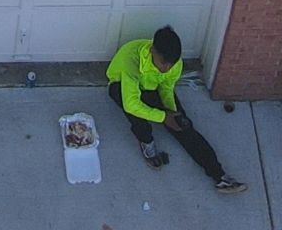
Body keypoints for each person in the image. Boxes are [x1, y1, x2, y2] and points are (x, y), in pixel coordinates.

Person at [106, 28, 247, 194]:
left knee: (184, 126)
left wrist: (173, 113)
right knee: (138, 117)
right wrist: (164, 117)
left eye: (170, 64)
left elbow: (166, 88)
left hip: (151, 88)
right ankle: (147, 143)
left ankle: (219, 176)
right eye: (162, 63)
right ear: (152, 51)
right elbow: (131, 103)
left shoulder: (174, 64)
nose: (166, 68)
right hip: (120, 85)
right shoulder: (131, 60)